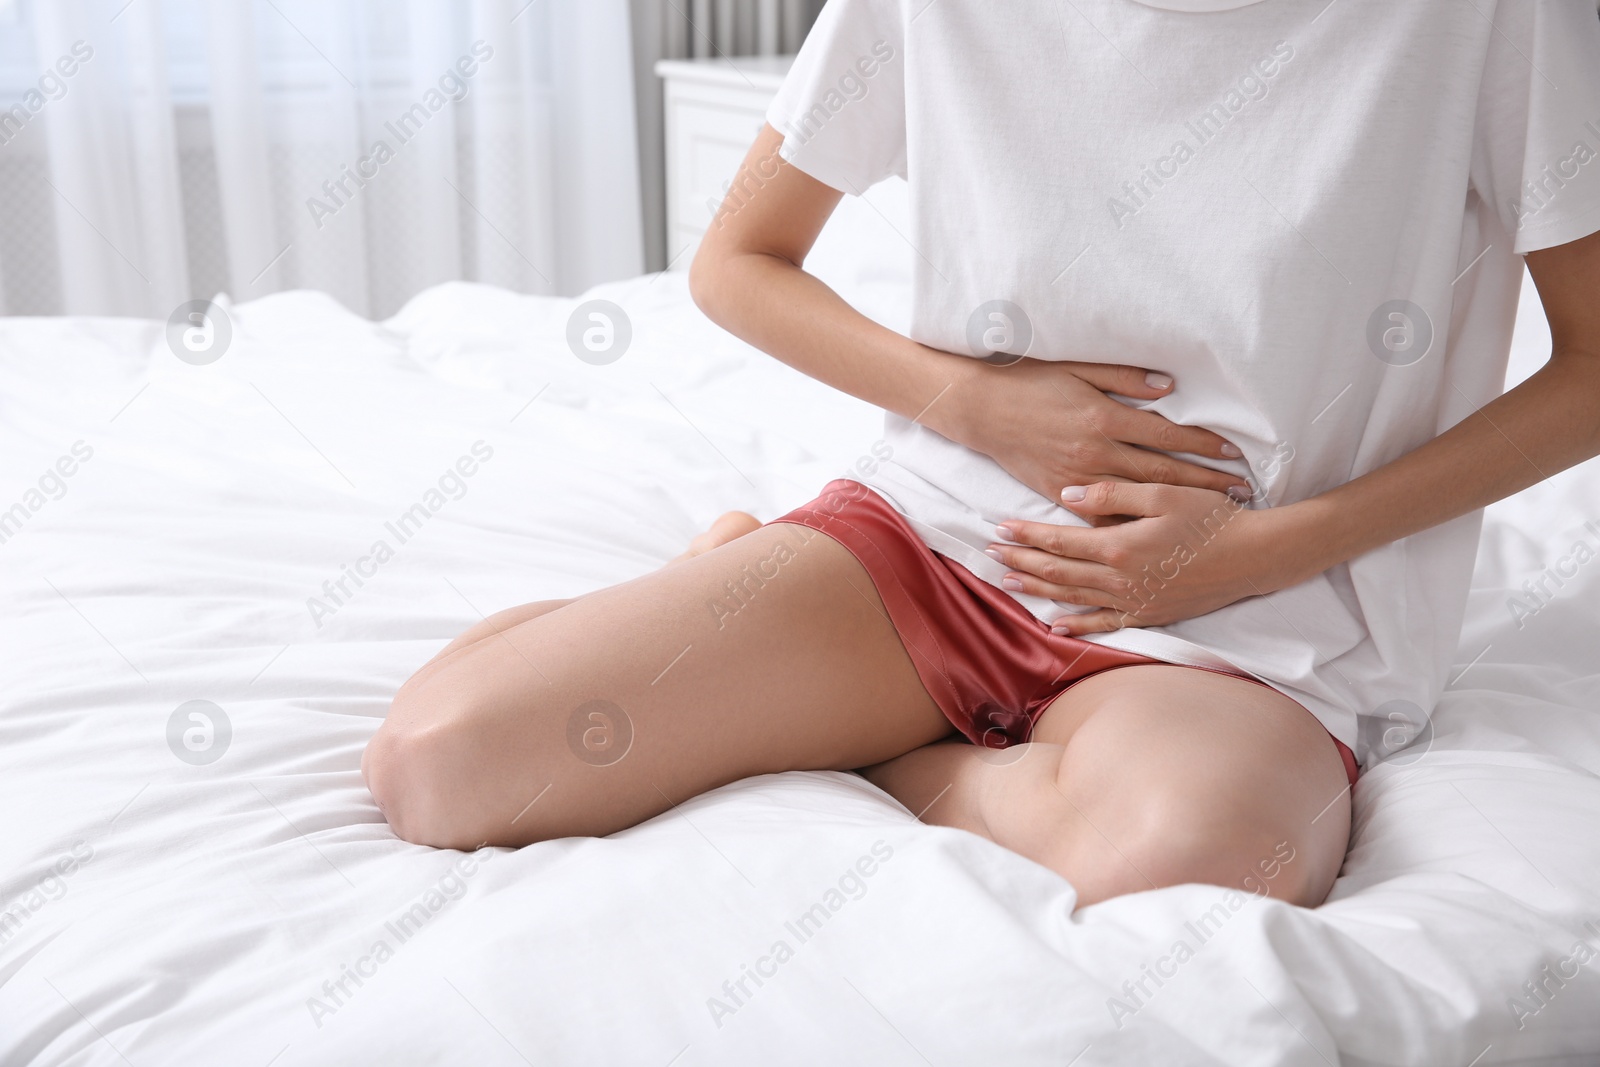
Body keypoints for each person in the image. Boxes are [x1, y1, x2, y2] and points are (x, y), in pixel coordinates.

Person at [362, 0, 1600, 908]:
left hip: (1258, 624)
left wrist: (1266, 548)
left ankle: (863, 737)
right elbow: (736, 262)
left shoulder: (1484, 19)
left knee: (1197, 865)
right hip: (934, 545)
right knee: (440, 765)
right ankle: (743, 607)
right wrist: (971, 402)